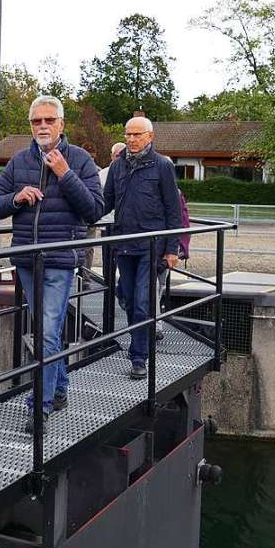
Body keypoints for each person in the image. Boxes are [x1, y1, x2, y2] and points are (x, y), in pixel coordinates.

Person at [0, 95, 103, 434]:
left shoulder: (79, 160)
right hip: (26, 259)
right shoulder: (19, 161)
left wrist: (65, 174)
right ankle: (61, 388)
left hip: (60, 261)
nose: (43, 127)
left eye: (49, 120)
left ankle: (40, 407)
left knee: (47, 333)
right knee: (47, 332)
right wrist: (15, 198)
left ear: (61, 124)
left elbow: (94, 210)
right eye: (37, 121)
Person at [102, 116, 181, 378]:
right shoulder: (117, 167)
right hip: (124, 245)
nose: (131, 140)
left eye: (137, 135)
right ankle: (141, 332)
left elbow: (173, 210)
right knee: (125, 295)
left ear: (149, 137)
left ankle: (138, 357)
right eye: (128, 135)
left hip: (151, 246)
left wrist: (172, 249)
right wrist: (79, 212)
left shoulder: (162, 166)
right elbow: (106, 202)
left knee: (142, 302)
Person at [84, 142, 125, 271]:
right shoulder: (102, 174)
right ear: (111, 156)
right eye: (117, 155)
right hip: (107, 222)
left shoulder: (132, 172)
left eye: (122, 155)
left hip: (126, 223)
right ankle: (105, 284)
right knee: (107, 259)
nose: (119, 158)